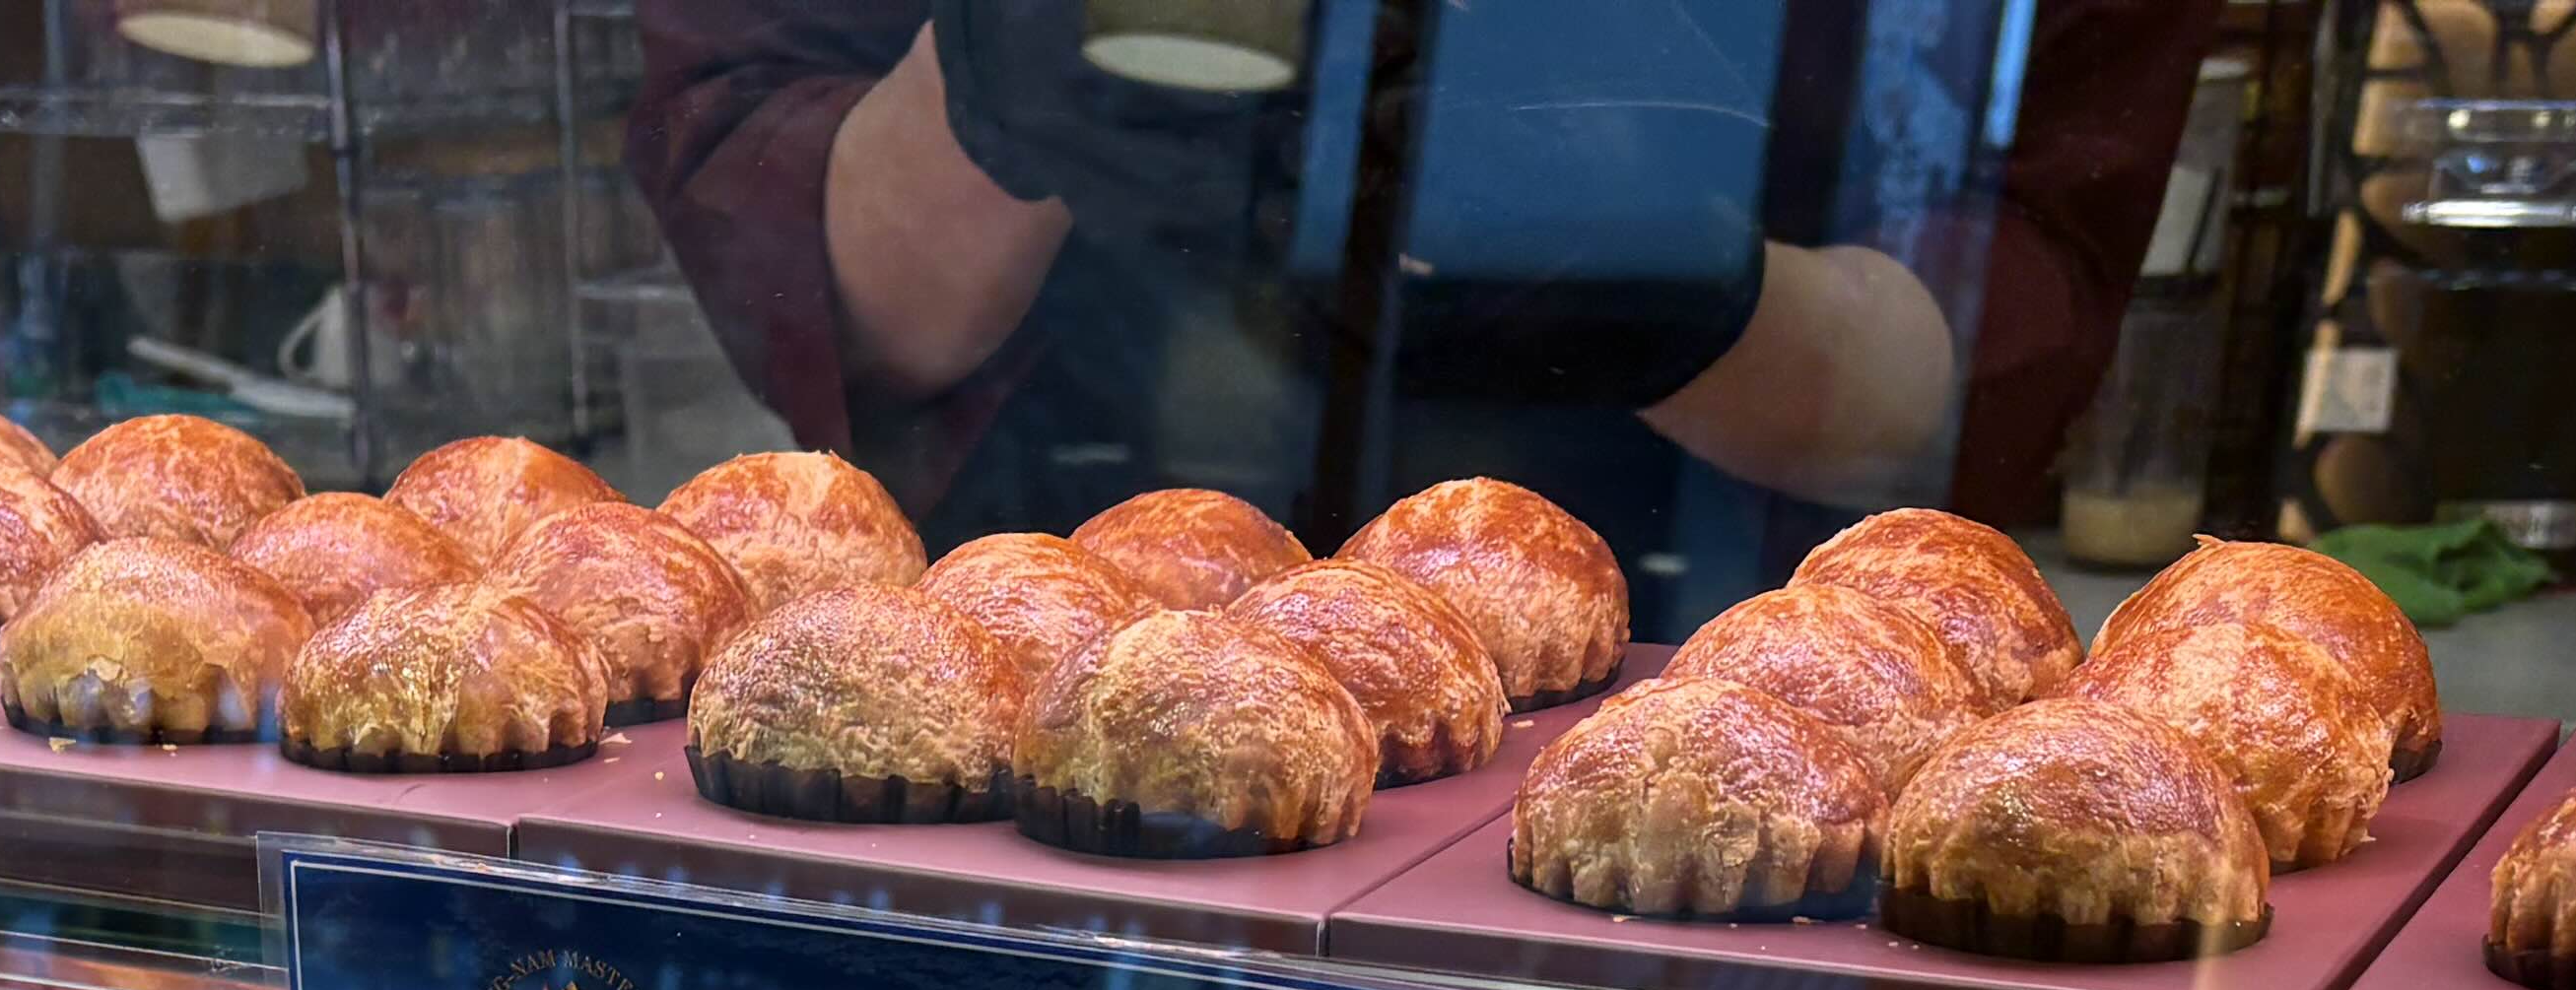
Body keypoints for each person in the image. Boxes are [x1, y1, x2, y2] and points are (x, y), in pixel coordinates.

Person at [631, 0, 2223, 556]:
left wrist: (1659, 284)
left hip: (1710, 705)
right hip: (1040, 681)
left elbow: (1988, 345)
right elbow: (818, 275)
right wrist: (1001, 79)